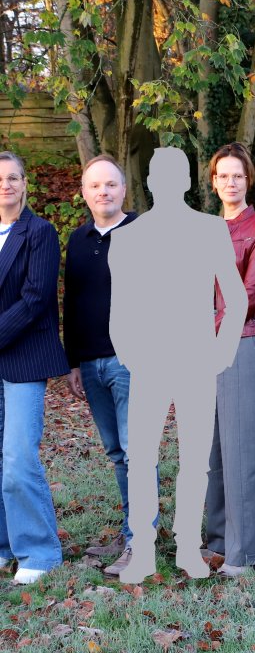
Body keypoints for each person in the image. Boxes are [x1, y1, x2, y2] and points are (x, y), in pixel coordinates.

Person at [109, 147, 247, 584]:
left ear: (187, 182)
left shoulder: (210, 230)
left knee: (195, 461)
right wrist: (131, 355)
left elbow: (236, 298)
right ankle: (144, 551)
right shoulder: (128, 238)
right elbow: (119, 310)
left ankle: (188, 546)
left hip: (196, 361)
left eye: (176, 176)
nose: (168, 183)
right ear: (151, 182)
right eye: (160, 176)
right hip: (149, 362)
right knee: (141, 459)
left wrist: (221, 353)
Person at [203, 143, 255, 577]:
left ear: (248, 179)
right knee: (211, 451)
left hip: (244, 343)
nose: (230, 182)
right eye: (223, 176)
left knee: (243, 448)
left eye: (238, 175)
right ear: (213, 182)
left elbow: (248, 295)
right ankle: (218, 541)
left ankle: (246, 551)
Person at [63, 154, 138, 577]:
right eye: (95, 185)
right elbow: (72, 303)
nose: (103, 191)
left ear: (123, 189)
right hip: (91, 364)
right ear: (84, 193)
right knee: (117, 453)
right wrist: (73, 361)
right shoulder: (78, 240)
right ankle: (131, 531)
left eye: (110, 184)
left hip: (133, 362)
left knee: (136, 451)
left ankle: (139, 542)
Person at [0, 150, 69, 585]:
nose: (5, 185)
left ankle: (40, 551)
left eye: (13, 177)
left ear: (25, 184)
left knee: (18, 457)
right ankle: (3, 547)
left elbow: (35, 298)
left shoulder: (39, 232)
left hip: (24, 357)